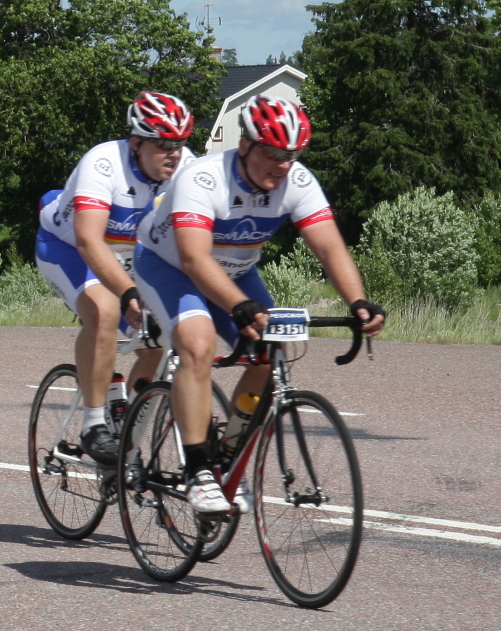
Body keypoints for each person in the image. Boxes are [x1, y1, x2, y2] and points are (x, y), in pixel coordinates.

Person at [132, 96, 386, 515]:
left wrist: (358, 301)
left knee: (271, 349)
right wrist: (239, 305)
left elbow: (329, 247)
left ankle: (228, 454)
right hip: (168, 266)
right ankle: (199, 472)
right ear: (246, 145)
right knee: (196, 344)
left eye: (291, 154)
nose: (282, 165)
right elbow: (194, 259)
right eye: (272, 153)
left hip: (235, 271)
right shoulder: (203, 178)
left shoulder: (297, 181)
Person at [36, 91, 193, 464]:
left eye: (180, 143)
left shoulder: (187, 167)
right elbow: (89, 241)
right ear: (136, 143)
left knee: (159, 343)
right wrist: (127, 293)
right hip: (69, 247)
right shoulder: (103, 163)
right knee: (104, 311)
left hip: (127, 256)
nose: (174, 153)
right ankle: (94, 425)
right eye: (163, 144)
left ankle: (124, 426)